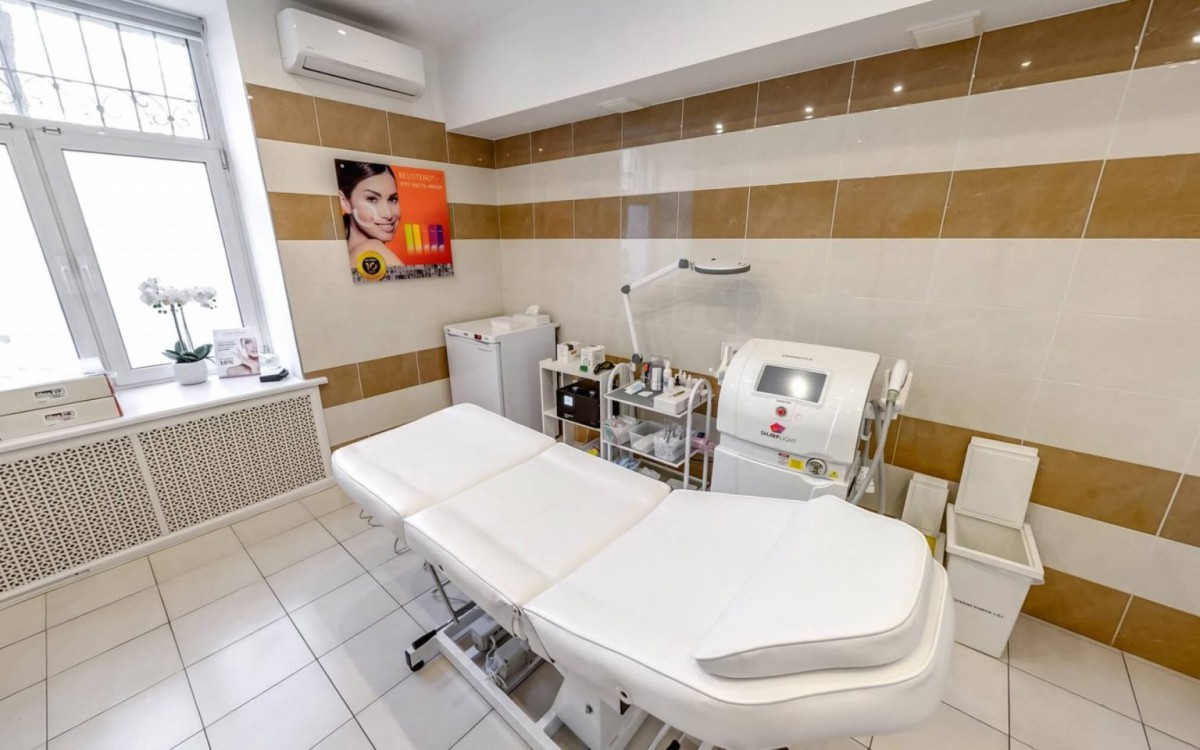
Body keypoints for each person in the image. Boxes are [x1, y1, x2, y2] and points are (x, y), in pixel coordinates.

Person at [336, 161, 403, 270]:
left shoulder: (345, 255)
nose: (388, 214)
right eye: (372, 199)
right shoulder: (372, 250)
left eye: (393, 199)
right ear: (345, 202)